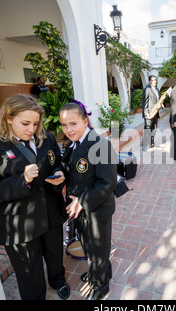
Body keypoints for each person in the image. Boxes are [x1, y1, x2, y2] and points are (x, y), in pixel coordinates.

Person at [0, 94, 70, 300]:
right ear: (8, 118)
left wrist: (60, 173)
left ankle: (57, 280)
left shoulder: (47, 138)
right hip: (19, 221)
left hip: (51, 212)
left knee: (54, 253)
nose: (31, 129)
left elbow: (57, 162)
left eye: (35, 123)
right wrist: (21, 181)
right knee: (28, 269)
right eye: (25, 123)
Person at [59, 100, 117, 300]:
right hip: (79, 209)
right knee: (89, 247)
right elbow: (71, 169)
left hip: (95, 208)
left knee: (97, 250)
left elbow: (106, 183)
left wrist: (81, 201)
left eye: (73, 124)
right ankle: (101, 272)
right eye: (64, 125)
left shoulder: (100, 145)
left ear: (85, 121)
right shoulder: (73, 144)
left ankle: (100, 286)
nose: (68, 129)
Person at [142, 75, 161, 150]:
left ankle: (152, 143)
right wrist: (146, 113)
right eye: (152, 80)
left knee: (154, 129)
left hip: (156, 112)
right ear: (149, 81)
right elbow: (144, 102)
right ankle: (145, 146)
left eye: (155, 80)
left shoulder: (157, 89)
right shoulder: (147, 89)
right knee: (147, 129)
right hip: (149, 113)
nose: (154, 82)